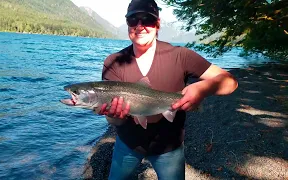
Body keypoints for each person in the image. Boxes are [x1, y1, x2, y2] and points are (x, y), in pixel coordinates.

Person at [99, 0, 238, 179]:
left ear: (157, 24)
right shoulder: (113, 62)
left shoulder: (181, 56)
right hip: (127, 144)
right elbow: (115, 122)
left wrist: (202, 88)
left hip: (169, 148)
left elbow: (230, 82)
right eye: (133, 20)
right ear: (127, 24)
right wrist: (112, 115)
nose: (140, 26)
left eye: (147, 19)